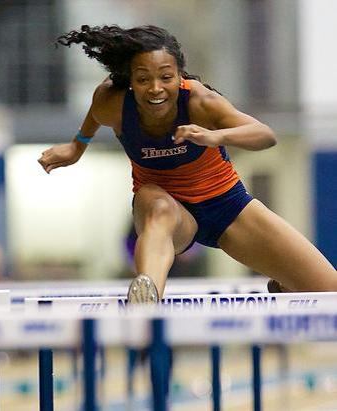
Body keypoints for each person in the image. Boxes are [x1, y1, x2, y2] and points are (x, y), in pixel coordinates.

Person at [38, 25, 336, 303]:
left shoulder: (200, 102)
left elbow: (265, 135)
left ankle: (285, 283)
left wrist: (213, 135)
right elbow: (94, 116)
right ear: (130, 81)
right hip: (168, 209)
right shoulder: (112, 102)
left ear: (179, 76)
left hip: (227, 208)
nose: (155, 88)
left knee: (331, 294)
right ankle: (146, 301)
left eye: (166, 77)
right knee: (158, 207)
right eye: (143, 79)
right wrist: (77, 147)